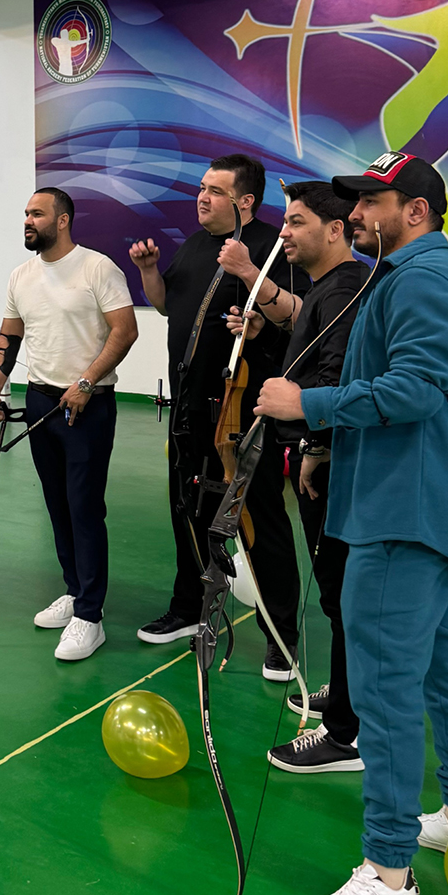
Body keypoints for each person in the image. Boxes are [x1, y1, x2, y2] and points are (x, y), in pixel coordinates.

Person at [257, 152, 448, 895]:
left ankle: (389, 879)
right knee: (444, 660)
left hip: (402, 512)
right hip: (414, 501)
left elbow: (418, 387)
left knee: (388, 689)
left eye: (370, 202)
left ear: (415, 212)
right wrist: (328, 447)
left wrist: (307, 401)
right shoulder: (415, 275)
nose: (355, 214)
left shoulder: (421, 280)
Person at [128, 153, 303, 681]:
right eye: (202, 187)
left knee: (260, 521)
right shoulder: (198, 244)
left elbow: (295, 325)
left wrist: (256, 324)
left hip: (243, 416)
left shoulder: (273, 250)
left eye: (215, 190)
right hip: (188, 411)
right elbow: (166, 306)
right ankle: (188, 608)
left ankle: (281, 636)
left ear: (245, 201)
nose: (202, 197)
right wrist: (149, 271)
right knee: (188, 509)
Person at [227, 181, 368, 773]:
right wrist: (265, 329)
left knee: (340, 595)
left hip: (330, 466)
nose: (283, 231)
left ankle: (346, 733)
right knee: (338, 595)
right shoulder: (327, 288)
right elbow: (311, 343)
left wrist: (315, 447)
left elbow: (333, 375)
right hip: (323, 459)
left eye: (298, 221)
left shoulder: (349, 286)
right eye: (284, 220)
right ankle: (348, 696)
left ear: (334, 230)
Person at [0, 187, 137, 661]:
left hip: (87, 405)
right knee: (57, 504)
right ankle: (75, 591)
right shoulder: (22, 275)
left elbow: (125, 329)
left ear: (63, 220)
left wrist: (88, 381)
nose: (27, 220)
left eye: (37, 213)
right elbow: (10, 335)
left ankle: (90, 618)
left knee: (84, 508)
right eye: (25, 213)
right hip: (39, 402)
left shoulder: (97, 268)